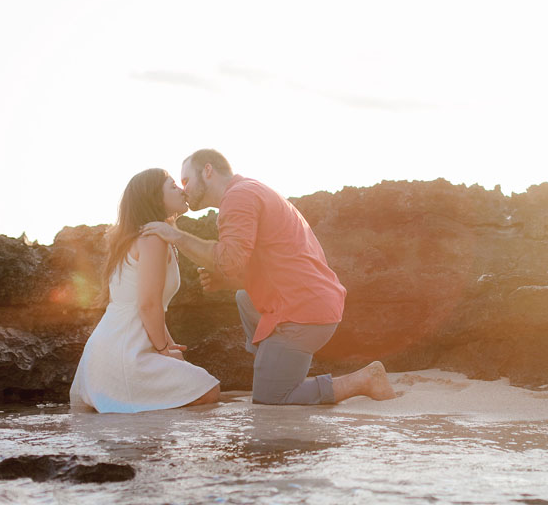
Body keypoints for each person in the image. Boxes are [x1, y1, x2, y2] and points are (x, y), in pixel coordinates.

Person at [141, 149, 396, 405]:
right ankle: (275, 366)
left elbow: (229, 261)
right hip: (311, 301)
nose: (183, 189)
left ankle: (364, 379)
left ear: (208, 171)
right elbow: (265, 266)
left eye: (186, 181)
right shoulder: (247, 191)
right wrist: (227, 280)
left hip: (304, 312)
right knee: (243, 297)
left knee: (270, 398)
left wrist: (177, 236)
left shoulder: (239, 197)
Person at [70, 168, 221, 413]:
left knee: (198, 384)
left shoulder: (148, 235)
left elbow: (152, 306)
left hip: (113, 348)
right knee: (208, 390)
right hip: (125, 354)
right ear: (155, 198)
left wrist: (170, 349)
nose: (182, 191)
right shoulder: (152, 238)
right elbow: (147, 305)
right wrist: (163, 350)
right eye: (173, 186)